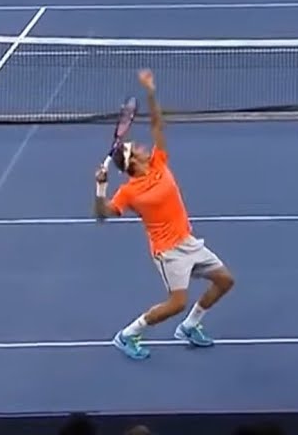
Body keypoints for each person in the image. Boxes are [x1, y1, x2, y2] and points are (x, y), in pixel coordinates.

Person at [93, 69, 236, 360]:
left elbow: (158, 124)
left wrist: (150, 92)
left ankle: (189, 327)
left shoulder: (158, 162)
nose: (144, 147)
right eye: (137, 148)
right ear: (133, 162)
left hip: (188, 240)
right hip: (168, 252)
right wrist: (100, 187)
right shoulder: (129, 191)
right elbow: (103, 215)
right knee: (176, 303)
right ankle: (127, 335)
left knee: (225, 281)